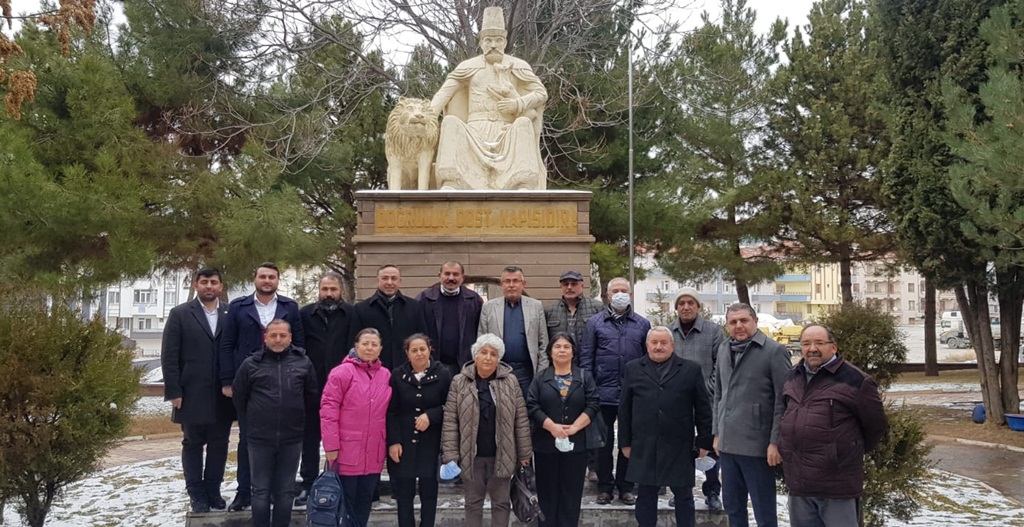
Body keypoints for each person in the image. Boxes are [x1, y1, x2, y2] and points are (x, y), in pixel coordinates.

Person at [779, 325, 888, 527]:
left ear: (834, 347)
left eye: (819, 343)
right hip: (799, 484)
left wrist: (843, 452)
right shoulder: (792, 377)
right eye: (806, 343)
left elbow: (876, 427)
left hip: (837, 486)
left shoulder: (857, 381)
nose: (812, 348)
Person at [429, 6, 548, 191]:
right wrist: (428, 116)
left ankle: (521, 184)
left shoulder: (518, 66)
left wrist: (518, 103)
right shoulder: (468, 66)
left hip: (506, 130)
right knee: (451, 122)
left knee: (523, 125)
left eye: (498, 40)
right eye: (488, 40)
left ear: (505, 42)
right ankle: (452, 182)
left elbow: (541, 93)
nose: (493, 45)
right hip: (475, 130)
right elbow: (444, 93)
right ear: (481, 42)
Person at [218, 262, 305, 511]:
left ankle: (278, 493)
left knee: (283, 441)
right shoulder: (238, 307)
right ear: (255, 279)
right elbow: (227, 345)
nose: (267, 280)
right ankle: (245, 492)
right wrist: (227, 380)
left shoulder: (289, 307)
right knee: (248, 440)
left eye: (272, 277)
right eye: (263, 276)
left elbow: (299, 344)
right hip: (249, 382)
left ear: (278, 280)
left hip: (282, 382)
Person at [619, 326, 714, 527]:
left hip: (679, 445)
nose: (659, 347)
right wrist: (625, 443)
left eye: (663, 343)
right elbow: (625, 408)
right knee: (645, 495)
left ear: (673, 345)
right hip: (644, 444)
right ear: (647, 346)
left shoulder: (691, 369)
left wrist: (704, 441)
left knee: (684, 496)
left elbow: (703, 408)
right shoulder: (633, 368)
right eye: (654, 343)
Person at [231, 320, 318, 527]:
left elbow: (311, 396)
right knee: (260, 491)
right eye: (273, 335)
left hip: (292, 437)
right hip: (260, 438)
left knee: (285, 491)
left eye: (282, 335)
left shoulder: (303, 363)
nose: (278, 339)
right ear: (265, 337)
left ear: (290, 337)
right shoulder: (251, 364)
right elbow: (239, 397)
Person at [160, 267, 234, 512]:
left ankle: (213, 491)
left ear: (221, 287)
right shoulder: (180, 314)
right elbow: (170, 355)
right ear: (195, 285)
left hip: (222, 393)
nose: (209, 286)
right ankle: (196, 494)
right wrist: (174, 391)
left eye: (214, 282)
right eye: (204, 282)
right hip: (190, 392)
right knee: (192, 443)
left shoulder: (230, 313)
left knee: (219, 443)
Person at [441, 333, 532, 527]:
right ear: (475, 355)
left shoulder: (510, 381)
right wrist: (450, 455)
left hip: (502, 455)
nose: (488, 357)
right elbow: (450, 421)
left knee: (501, 504)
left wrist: (524, 453)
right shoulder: (459, 382)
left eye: (493, 353)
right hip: (470, 456)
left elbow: (521, 419)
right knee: (473, 504)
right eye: (484, 352)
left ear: (499, 358)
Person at [712, 303, 791, 527]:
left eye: (744, 320)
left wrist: (775, 442)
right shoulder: (724, 348)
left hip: (758, 447)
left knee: (763, 511)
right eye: (733, 322)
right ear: (727, 326)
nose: (739, 326)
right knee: (733, 508)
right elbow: (719, 393)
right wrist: (717, 433)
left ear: (755, 321)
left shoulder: (774, 351)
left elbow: (782, 400)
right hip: (728, 446)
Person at [579, 277, 651, 506]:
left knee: (629, 441)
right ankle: (605, 487)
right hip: (602, 392)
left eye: (624, 290)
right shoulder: (595, 323)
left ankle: (626, 486)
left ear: (630, 294)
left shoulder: (642, 324)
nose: (619, 294)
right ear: (608, 295)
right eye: (615, 290)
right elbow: (586, 357)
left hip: (632, 393)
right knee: (603, 443)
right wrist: (588, 388)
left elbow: (646, 360)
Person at [320, 328, 392, 527]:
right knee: (346, 502)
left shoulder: (385, 375)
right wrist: (331, 445)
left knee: (366, 500)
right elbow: (328, 409)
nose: (369, 348)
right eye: (365, 344)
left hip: (374, 452)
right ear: (356, 346)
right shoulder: (342, 373)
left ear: (380, 349)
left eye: (374, 344)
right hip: (347, 450)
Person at [526, 332, 600, 527]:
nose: (562, 350)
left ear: (573, 352)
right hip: (545, 446)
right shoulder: (541, 378)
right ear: (550, 352)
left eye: (566, 347)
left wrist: (575, 427)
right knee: (547, 494)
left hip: (576, 447)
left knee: (571, 494)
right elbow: (532, 405)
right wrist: (552, 426)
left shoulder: (584, 377)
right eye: (557, 346)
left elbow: (593, 404)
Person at [295, 271, 356, 505]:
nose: (329, 294)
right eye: (325, 289)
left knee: (343, 437)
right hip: (312, 386)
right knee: (309, 438)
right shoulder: (304, 314)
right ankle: (308, 482)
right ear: (319, 291)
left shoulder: (352, 314)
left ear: (341, 291)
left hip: (344, 387)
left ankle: (340, 481)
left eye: (333, 289)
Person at [386, 334, 453, 527]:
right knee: (404, 495)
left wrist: (431, 415)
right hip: (404, 443)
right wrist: (394, 441)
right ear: (407, 353)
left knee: (429, 494)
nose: (419, 354)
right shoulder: (398, 375)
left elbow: (450, 406)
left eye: (422, 349)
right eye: (414, 350)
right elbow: (391, 411)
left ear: (430, 350)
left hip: (430, 444)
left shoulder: (443, 373)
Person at [667, 287, 724, 512]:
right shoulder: (668, 332)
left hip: (706, 403)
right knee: (679, 449)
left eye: (691, 303)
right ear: (676, 307)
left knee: (709, 448)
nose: (686, 307)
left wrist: (703, 390)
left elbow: (720, 366)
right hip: (676, 404)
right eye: (681, 303)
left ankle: (712, 492)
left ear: (698, 307)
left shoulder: (713, 331)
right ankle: (681, 491)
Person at [478, 265, 548, 395]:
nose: (511, 285)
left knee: (527, 410)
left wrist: (541, 373)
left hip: (527, 372)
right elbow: (481, 341)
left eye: (515, 281)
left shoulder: (536, 306)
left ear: (523, 284)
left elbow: (543, 343)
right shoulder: (488, 307)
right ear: (501, 284)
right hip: (498, 370)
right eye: (507, 281)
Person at [416, 261, 483, 379]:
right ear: (440, 275)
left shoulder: (474, 300)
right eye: (447, 274)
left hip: (464, 364)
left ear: (462, 278)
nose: (451, 278)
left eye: (455, 274)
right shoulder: (424, 299)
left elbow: (481, 331)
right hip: (432, 363)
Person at [353, 264, 426, 370]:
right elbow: (354, 343)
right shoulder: (361, 309)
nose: (389, 282)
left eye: (394, 278)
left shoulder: (415, 307)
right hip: (372, 370)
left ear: (400, 281)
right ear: (377, 281)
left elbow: (423, 338)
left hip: (407, 370)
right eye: (385, 278)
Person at [543, 270, 603, 357]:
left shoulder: (597, 308)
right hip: (560, 364)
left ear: (582, 286)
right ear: (561, 287)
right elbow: (544, 342)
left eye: (574, 284)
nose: (569, 287)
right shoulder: (549, 311)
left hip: (588, 362)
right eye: (565, 284)